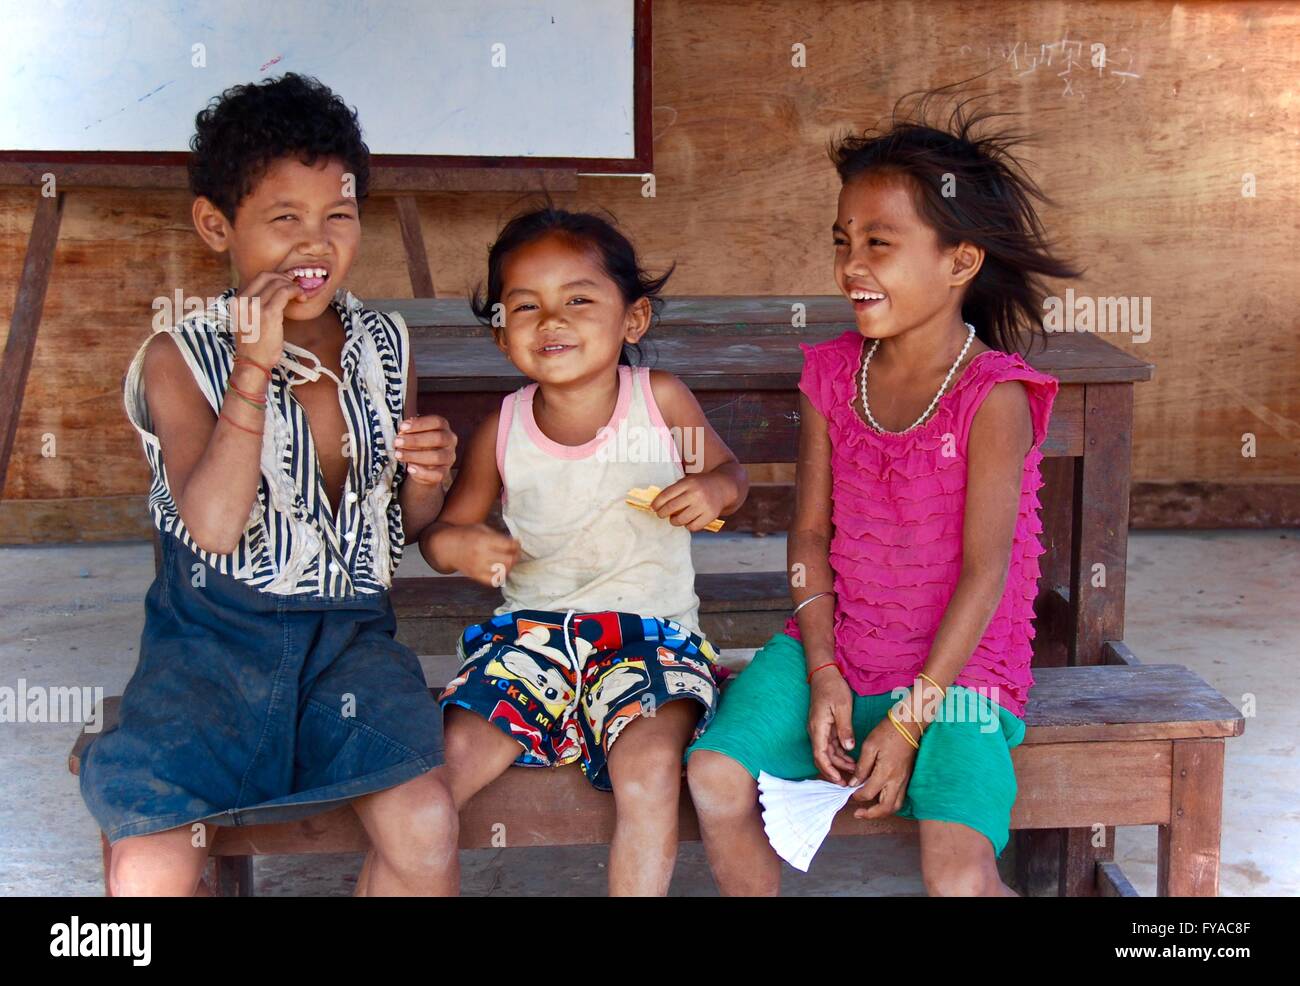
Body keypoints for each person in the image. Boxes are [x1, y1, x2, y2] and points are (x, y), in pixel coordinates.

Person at [686, 89, 1079, 896]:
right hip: (841, 646)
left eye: (879, 243)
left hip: (961, 676)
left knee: (959, 868)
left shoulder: (992, 396)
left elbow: (985, 572)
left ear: (960, 261)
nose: (851, 266)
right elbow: (806, 537)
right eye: (843, 242)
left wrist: (909, 720)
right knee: (715, 775)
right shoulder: (832, 374)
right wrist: (824, 668)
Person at [79, 74, 459, 896]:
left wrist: (431, 472)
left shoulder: (385, 345)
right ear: (218, 225)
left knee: (426, 822)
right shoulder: (182, 358)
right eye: (284, 219)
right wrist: (255, 367)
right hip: (210, 647)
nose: (314, 244)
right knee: (150, 854)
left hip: (350, 645)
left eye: (338, 216)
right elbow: (214, 527)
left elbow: (402, 526)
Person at [421, 205, 749, 895]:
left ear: (633, 320)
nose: (551, 321)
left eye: (578, 299)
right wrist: (466, 547)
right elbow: (442, 536)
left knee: (649, 769)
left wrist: (711, 492)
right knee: (444, 767)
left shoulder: (659, 400)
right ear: (500, 330)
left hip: (652, 639)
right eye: (525, 305)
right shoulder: (502, 429)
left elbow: (730, 476)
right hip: (530, 640)